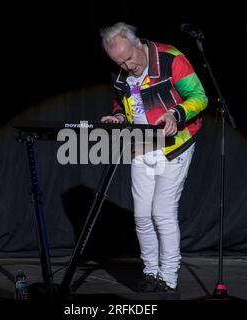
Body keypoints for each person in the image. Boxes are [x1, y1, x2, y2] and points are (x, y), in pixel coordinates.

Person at [100, 22, 208, 293]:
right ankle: (150, 272)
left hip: (174, 145)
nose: (126, 66)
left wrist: (176, 114)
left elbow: (199, 97)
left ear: (138, 43)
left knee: (162, 212)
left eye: (129, 57)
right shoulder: (119, 71)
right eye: (119, 61)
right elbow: (124, 103)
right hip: (142, 144)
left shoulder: (171, 59)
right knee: (142, 216)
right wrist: (119, 117)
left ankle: (168, 277)